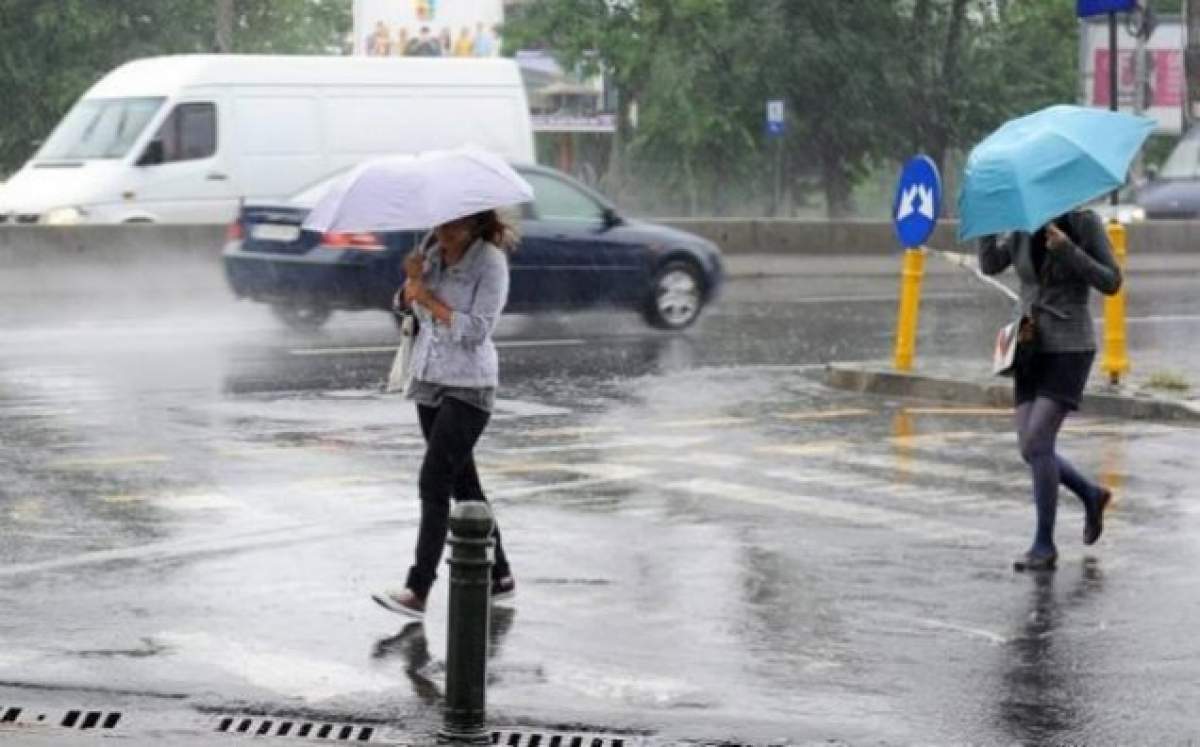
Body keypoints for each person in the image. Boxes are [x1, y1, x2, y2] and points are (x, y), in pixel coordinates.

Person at [373, 211, 517, 618]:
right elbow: (404, 309)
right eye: (440, 224)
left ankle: (418, 590)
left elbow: (476, 330)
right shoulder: (431, 252)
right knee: (464, 486)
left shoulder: (490, 262)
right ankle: (501, 575)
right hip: (429, 380)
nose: (444, 233)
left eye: (454, 227)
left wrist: (429, 300)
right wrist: (410, 284)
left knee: (434, 480)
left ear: (474, 225)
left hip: (469, 386)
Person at [979, 209, 1122, 572]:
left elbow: (1111, 280)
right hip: (1029, 344)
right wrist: (986, 224)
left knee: (1038, 442)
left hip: (1071, 344)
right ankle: (1091, 494)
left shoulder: (1083, 222)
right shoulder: (1021, 223)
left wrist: (1068, 250)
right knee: (1030, 447)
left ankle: (1044, 545)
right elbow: (991, 264)